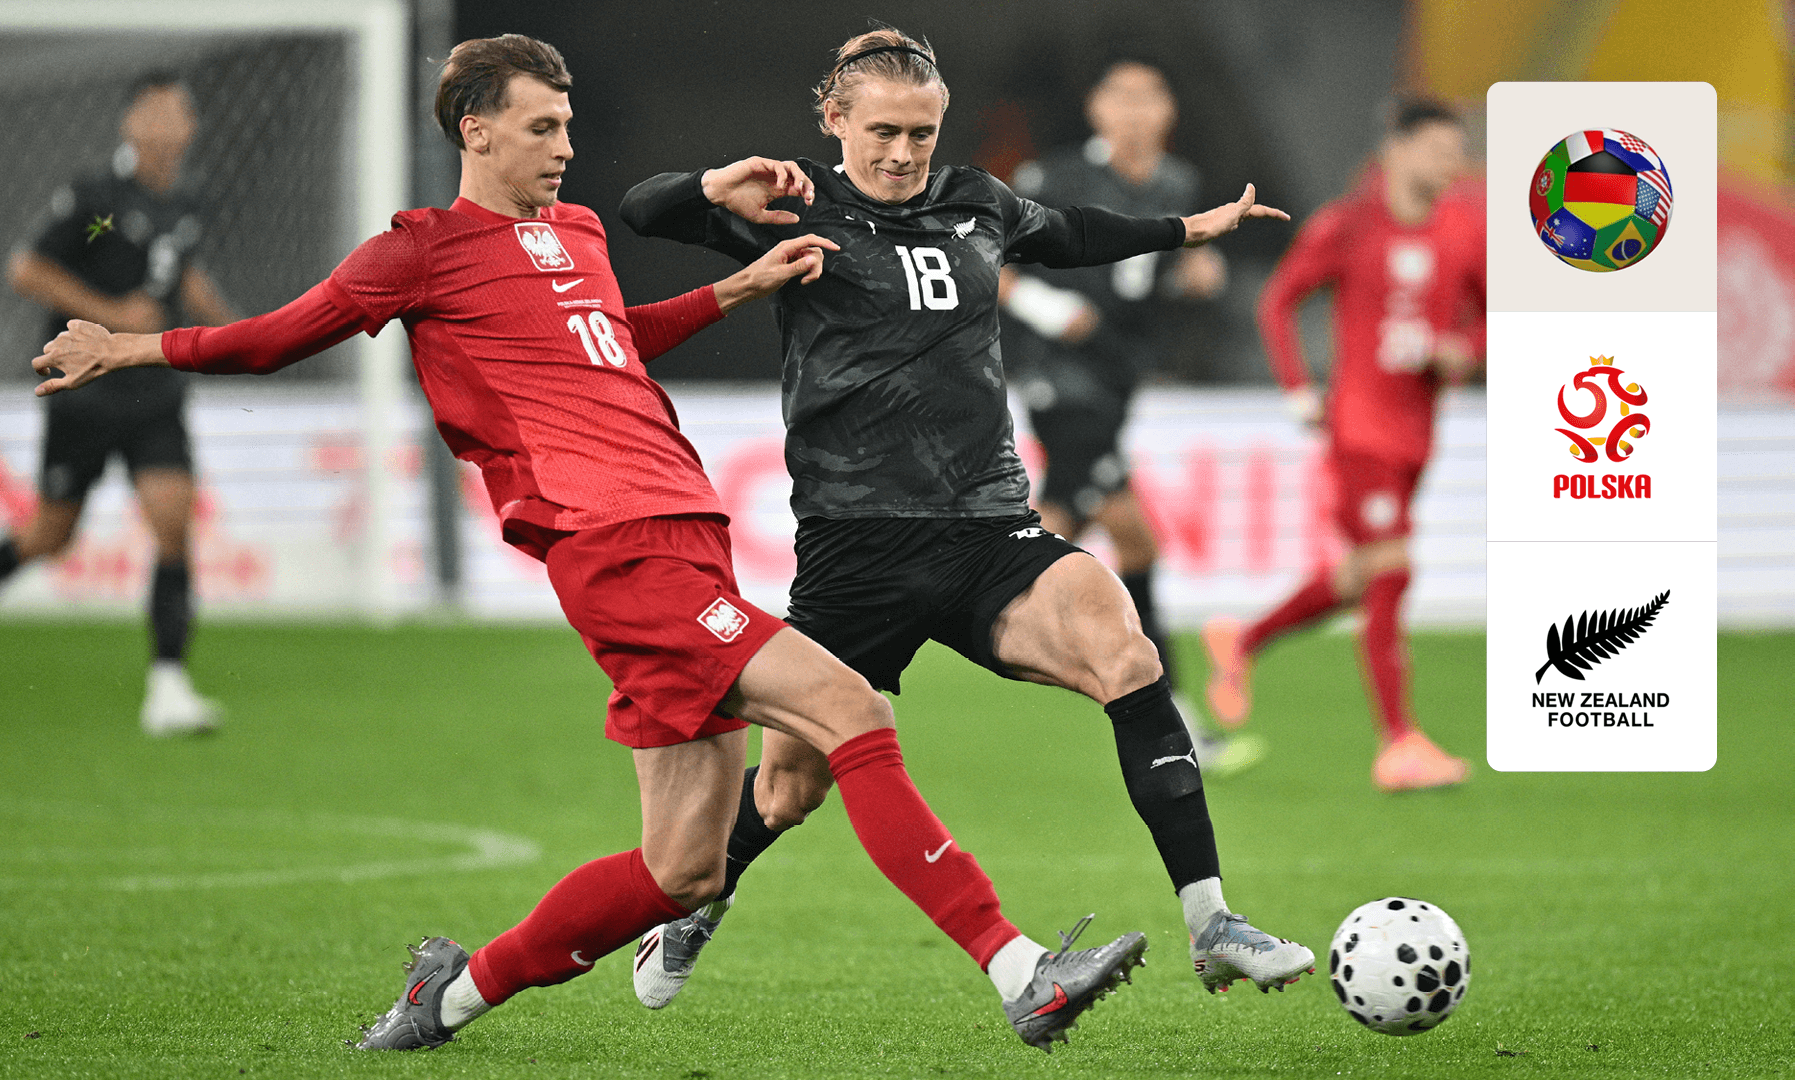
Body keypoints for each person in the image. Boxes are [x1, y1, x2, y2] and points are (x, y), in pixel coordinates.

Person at [31, 35, 1148, 1054]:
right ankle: (1019, 970)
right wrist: (129, 348)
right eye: (541, 127)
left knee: (682, 869)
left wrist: (737, 287)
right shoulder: (419, 251)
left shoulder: (574, 233)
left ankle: (449, 996)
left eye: (567, 124)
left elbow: (611, 341)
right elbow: (277, 336)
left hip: (685, 531)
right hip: (613, 548)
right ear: (475, 130)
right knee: (852, 710)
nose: (567, 147)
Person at [621, 27, 1314, 1013]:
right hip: (857, 548)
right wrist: (707, 184)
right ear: (835, 121)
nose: (904, 153)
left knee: (1125, 651)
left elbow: (1069, 233)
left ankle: (1213, 925)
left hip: (989, 529)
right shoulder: (794, 207)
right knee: (788, 789)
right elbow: (642, 211)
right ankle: (694, 906)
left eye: (922, 132)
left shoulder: (974, 200)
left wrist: (1181, 231)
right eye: (883, 133)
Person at [0, 72, 238, 735]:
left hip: (153, 385)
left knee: (172, 520)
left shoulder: (188, 204)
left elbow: (183, 273)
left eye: (179, 113)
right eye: (156, 112)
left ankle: (167, 686)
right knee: (52, 534)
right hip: (85, 388)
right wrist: (113, 315)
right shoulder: (99, 205)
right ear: (131, 124)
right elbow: (27, 269)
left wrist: (240, 335)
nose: (170, 125)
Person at [1201, 98, 1483, 792]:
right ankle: (1399, 742)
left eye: (1457, 152)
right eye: (1438, 150)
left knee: (1364, 573)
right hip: (1359, 430)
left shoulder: (1464, 228)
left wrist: (1463, 350)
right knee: (1391, 570)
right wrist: (1300, 391)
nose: (1451, 165)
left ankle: (1244, 640)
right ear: (1397, 149)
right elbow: (1279, 299)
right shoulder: (1349, 224)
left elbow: (1490, 318)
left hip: (1418, 432)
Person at [1001, 58, 1261, 777]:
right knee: (1088, 521)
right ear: (1097, 108)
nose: (1135, 110)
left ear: (1168, 110)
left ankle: (973, 594)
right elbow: (987, 260)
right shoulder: (1055, 178)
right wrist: (1049, 307)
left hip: (1116, 376)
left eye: (1149, 96)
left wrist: (1190, 274)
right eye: (1121, 96)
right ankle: (1170, 712)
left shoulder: (1177, 184)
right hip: (1057, 373)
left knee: (1120, 537)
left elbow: (1143, 274)